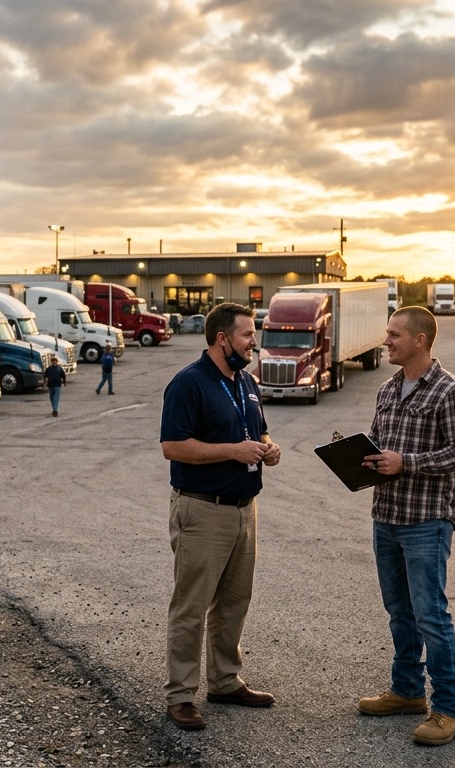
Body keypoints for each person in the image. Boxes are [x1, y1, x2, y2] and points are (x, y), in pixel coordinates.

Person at [158, 302, 281, 731]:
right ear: (222, 338)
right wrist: (233, 451)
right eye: (247, 335)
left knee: (234, 602)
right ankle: (180, 695)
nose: (254, 343)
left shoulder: (246, 381)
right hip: (201, 509)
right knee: (191, 606)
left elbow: (258, 429)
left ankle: (225, 681)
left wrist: (268, 446)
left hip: (245, 508)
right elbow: (173, 446)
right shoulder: (188, 383)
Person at [357, 306, 455, 746]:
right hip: (386, 516)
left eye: (394, 334)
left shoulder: (450, 391)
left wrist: (405, 463)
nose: (386, 341)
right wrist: (361, 457)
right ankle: (407, 691)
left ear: (420, 340)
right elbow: (380, 443)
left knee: (431, 615)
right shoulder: (389, 388)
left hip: (426, 521)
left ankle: (448, 710)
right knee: (399, 612)